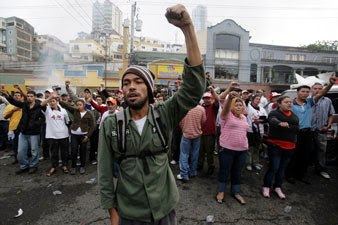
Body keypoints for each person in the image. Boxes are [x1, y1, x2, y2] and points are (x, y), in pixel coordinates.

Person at [98, 4, 205, 225]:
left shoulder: (164, 115)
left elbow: (193, 90)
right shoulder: (110, 124)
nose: (132, 87)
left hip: (164, 208)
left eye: (138, 82)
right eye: (126, 83)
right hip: (129, 213)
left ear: (150, 89)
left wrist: (188, 28)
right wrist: (112, 212)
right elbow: (105, 171)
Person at [286, 74, 336, 184]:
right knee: (293, 154)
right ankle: (289, 175)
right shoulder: (291, 104)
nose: (305, 94)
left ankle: (300, 175)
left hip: (307, 133)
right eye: (302, 91)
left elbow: (322, 93)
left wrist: (330, 84)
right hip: (295, 133)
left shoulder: (309, 102)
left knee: (305, 155)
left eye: (306, 92)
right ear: (297, 92)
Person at [216, 82, 248, 205]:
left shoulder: (244, 117)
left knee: (237, 171)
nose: (239, 107)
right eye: (237, 105)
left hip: (242, 150)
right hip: (227, 148)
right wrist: (230, 97)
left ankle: (236, 192)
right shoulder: (226, 115)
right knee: (224, 170)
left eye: (241, 105)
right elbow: (223, 102)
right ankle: (221, 191)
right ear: (232, 106)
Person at [263, 96, 299, 199]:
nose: (289, 104)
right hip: (275, 146)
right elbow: (272, 121)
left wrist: (286, 127)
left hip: (289, 146)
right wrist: (280, 124)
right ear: (279, 104)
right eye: (286, 102)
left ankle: (278, 187)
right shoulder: (274, 113)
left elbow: (296, 129)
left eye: (290, 102)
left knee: (282, 168)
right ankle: (266, 186)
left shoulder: (294, 116)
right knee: (274, 167)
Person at [1, 89, 44, 174]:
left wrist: (36, 124)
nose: (29, 98)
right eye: (28, 96)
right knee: (20, 151)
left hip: (34, 133)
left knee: (34, 151)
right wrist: (7, 95)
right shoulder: (24, 105)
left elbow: (43, 118)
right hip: (23, 132)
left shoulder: (39, 106)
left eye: (31, 96)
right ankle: (24, 166)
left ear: (35, 97)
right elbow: (14, 102)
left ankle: (33, 165)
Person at [59, 98, 95, 175]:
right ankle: (73, 166)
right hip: (74, 135)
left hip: (83, 135)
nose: (78, 106)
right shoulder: (75, 111)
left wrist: (87, 136)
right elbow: (67, 106)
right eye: (77, 105)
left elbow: (92, 126)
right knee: (73, 150)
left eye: (80, 105)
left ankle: (82, 166)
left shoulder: (89, 114)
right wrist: (60, 101)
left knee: (83, 151)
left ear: (84, 105)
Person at [40, 92, 70, 176]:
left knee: (64, 152)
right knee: (53, 153)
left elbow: (67, 122)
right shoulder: (48, 110)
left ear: (57, 102)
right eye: (50, 101)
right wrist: (50, 97)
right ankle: (54, 166)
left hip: (63, 135)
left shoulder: (63, 111)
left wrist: (69, 132)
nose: (52, 103)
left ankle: (65, 165)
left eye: (53, 101)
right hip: (52, 136)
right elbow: (42, 104)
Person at [311, 82, 335, 179]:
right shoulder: (307, 100)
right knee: (306, 150)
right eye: (315, 88)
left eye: (320, 88)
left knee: (321, 151)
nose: (317, 90)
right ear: (312, 89)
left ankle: (321, 169)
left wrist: (328, 125)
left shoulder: (328, 101)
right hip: (308, 130)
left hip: (321, 129)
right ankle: (302, 170)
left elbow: (331, 114)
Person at [177, 105, 206, 182]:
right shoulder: (201, 109)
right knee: (195, 153)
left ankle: (184, 174)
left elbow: (180, 121)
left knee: (184, 154)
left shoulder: (184, 107)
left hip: (186, 133)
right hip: (197, 134)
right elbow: (203, 121)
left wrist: (184, 128)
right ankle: (192, 172)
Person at [198, 87, 219, 175]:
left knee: (209, 151)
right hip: (200, 132)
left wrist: (213, 91)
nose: (206, 100)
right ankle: (200, 164)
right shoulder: (200, 107)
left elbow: (217, 100)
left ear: (211, 99)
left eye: (208, 98)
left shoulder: (213, 107)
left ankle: (211, 166)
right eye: (205, 98)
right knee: (200, 151)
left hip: (210, 133)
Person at [246, 95, 268, 171]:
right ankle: (248, 163)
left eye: (259, 99)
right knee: (250, 148)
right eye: (256, 99)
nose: (258, 100)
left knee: (257, 147)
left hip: (260, 131)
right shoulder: (248, 107)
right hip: (250, 130)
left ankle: (255, 162)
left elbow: (266, 119)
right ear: (252, 100)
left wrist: (260, 121)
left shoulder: (262, 109)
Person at [3, 91, 23, 164]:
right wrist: (12, 110)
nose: (17, 96)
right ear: (13, 97)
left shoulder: (24, 105)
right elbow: (5, 117)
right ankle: (16, 158)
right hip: (14, 128)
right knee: (15, 144)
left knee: (24, 145)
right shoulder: (9, 106)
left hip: (24, 128)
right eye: (15, 95)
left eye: (18, 95)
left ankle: (24, 158)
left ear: (21, 97)